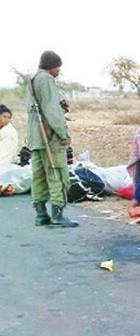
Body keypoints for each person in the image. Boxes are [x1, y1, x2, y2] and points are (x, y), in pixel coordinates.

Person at [26, 51, 78, 227]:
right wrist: (63, 134)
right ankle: (57, 214)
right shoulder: (47, 80)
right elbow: (51, 111)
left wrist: (60, 109)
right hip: (50, 137)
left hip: (35, 137)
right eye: (58, 67)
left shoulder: (32, 80)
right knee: (56, 173)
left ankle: (41, 214)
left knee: (38, 176)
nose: (59, 71)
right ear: (51, 66)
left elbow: (38, 109)